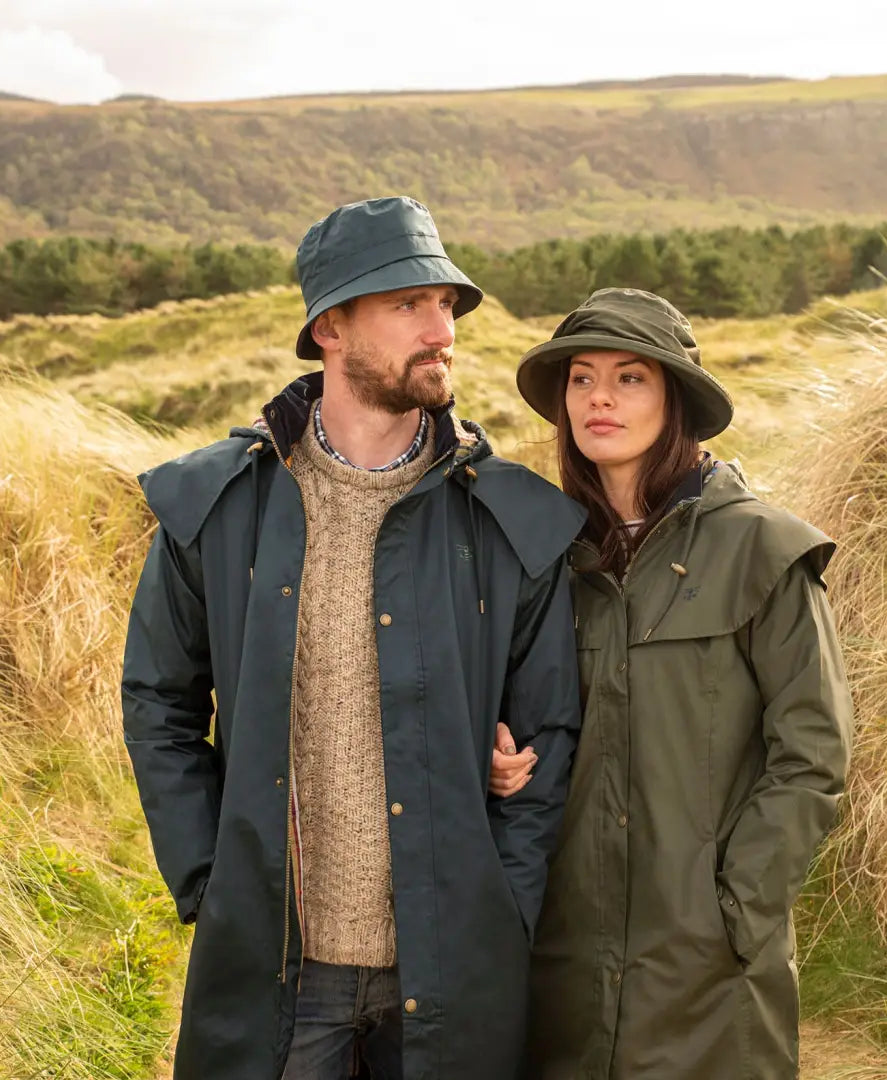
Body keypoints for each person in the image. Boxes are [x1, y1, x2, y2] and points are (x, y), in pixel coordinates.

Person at [121, 196, 586, 1080]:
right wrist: (209, 880)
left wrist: (506, 907)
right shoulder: (215, 508)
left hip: (451, 971)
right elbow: (159, 701)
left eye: (447, 305)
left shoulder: (510, 520)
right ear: (330, 327)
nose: (440, 329)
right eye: (408, 304)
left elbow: (549, 732)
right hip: (280, 972)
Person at [489, 287, 853, 1079]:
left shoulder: (762, 550)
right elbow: (518, 719)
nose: (599, 399)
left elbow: (814, 755)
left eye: (630, 378)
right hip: (564, 958)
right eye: (581, 379)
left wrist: (737, 907)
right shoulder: (545, 560)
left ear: (675, 398)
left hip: (707, 969)